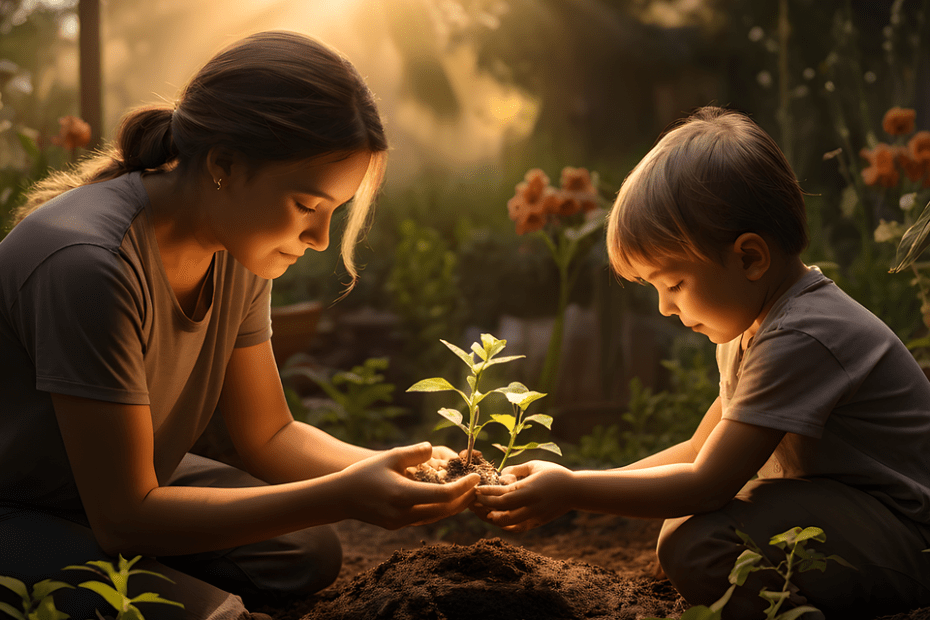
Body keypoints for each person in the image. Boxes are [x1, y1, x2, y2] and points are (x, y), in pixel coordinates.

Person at [0, 31, 479, 620]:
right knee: (214, 614)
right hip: (23, 504)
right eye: (307, 206)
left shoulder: (234, 246)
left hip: (122, 488)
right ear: (224, 164)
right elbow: (124, 516)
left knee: (304, 552)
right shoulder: (88, 263)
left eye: (334, 212)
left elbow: (270, 435)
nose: (320, 239)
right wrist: (347, 493)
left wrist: (416, 473)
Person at [474, 106, 930, 618]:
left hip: (909, 541)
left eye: (674, 284)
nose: (666, 307)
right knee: (691, 532)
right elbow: (698, 450)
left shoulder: (803, 335)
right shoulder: (757, 323)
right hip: (861, 520)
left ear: (750, 258)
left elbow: (708, 483)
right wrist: (578, 478)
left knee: (693, 542)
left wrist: (574, 490)